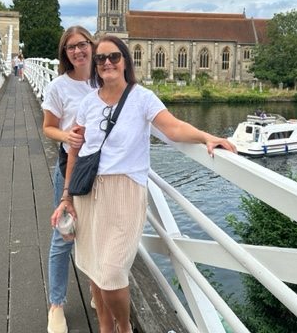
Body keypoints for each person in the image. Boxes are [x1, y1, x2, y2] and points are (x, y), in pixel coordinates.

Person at [51, 35, 236, 333]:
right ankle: (105, 328)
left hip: (125, 193)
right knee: (95, 268)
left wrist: (205, 136)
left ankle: (123, 327)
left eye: (113, 57)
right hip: (87, 193)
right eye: (101, 59)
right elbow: (76, 148)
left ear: (126, 60)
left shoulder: (142, 98)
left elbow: (172, 127)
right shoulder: (87, 103)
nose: (107, 63)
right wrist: (66, 196)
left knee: (111, 272)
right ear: (96, 66)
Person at [42, 26, 95, 333]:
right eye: (71, 48)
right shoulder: (58, 87)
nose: (78, 51)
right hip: (70, 167)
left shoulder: (105, 79)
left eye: (82, 45)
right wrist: (67, 136)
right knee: (64, 235)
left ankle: (95, 289)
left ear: (92, 45)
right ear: (65, 54)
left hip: (104, 169)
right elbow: (48, 126)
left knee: (95, 233)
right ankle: (56, 305)